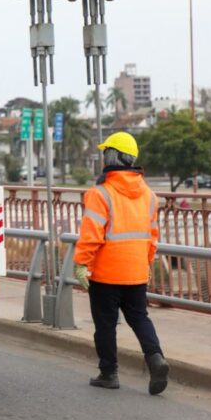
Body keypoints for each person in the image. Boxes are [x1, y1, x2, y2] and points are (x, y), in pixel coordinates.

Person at [73, 131, 169, 395]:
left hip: (105, 273)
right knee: (140, 318)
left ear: (110, 156)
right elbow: (152, 236)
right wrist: (146, 263)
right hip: (136, 271)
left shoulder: (100, 193)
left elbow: (91, 234)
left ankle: (108, 372)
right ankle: (155, 357)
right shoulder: (149, 195)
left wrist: (81, 263)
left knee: (105, 324)